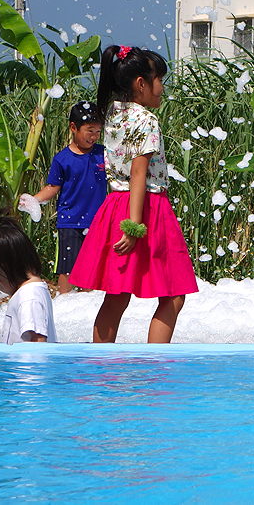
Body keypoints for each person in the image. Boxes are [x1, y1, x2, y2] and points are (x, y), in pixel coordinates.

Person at [69, 45, 198, 343]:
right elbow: (139, 173)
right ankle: (154, 363)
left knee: (116, 295)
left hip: (116, 204)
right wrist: (134, 226)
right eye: (159, 80)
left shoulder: (112, 113)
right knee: (174, 294)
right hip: (145, 208)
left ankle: (100, 363)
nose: (162, 88)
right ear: (141, 84)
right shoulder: (146, 119)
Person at [31, 101, 107, 294]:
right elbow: (52, 188)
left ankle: (88, 305)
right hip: (69, 222)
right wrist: (34, 200)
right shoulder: (62, 159)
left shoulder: (103, 154)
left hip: (97, 222)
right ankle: (63, 302)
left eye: (98, 131)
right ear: (73, 127)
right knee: (67, 269)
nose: (94, 136)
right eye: (89, 131)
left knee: (92, 269)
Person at [0, 209, 57, 344]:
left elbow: (39, 342)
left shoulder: (29, 297)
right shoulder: (32, 291)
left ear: (4, 268)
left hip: (28, 359)